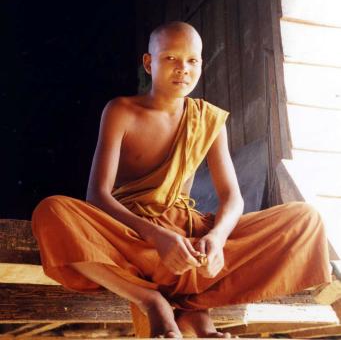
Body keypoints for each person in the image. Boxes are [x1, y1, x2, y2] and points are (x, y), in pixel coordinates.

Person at [31, 21, 332, 338]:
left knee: (305, 218)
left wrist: (216, 239)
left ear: (201, 63)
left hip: (188, 239)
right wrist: (156, 237)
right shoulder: (121, 111)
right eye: (171, 58)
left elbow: (232, 198)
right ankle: (152, 300)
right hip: (132, 234)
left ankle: (194, 311)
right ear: (149, 63)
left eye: (192, 60)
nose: (183, 69)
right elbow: (97, 196)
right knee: (51, 211)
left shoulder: (208, 119)